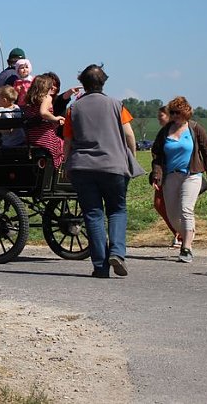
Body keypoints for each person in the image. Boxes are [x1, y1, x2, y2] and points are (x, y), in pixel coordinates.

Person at [62, 64, 137, 278]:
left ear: (82, 83)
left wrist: (66, 164)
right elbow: (129, 135)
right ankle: (117, 253)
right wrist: (131, 157)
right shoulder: (116, 104)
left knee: (93, 215)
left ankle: (100, 267)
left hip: (83, 167)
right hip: (114, 166)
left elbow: (67, 141)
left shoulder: (73, 109)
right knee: (117, 210)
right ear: (103, 82)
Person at [150, 96, 207, 263]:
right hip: (170, 177)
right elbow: (157, 155)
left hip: (191, 175)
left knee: (186, 209)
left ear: (185, 113)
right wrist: (156, 176)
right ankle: (188, 232)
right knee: (173, 215)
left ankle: (186, 248)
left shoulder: (195, 129)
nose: (173, 116)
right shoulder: (165, 131)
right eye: (171, 112)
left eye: (177, 113)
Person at [151, 106, 181, 246]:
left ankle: (180, 234)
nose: (158, 120)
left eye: (160, 116)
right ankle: (178, 232)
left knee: (170, 205)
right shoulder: (162, 133)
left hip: (174, 174)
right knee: (159, 204)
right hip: (163, 175)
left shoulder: (175, 133)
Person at [22, 74, 65, 167]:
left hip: (31, 139)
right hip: (45, 139)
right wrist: (56, 118)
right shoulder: (47, 97)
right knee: (65, 146)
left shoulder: (29, 101)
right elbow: (43, 113)